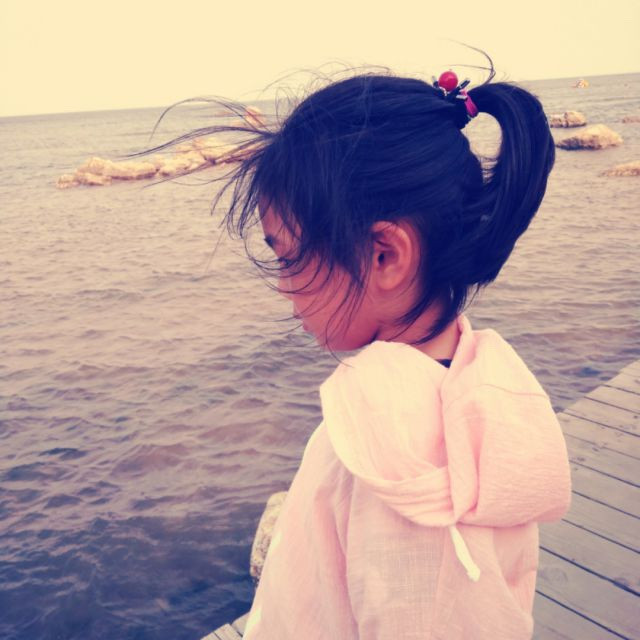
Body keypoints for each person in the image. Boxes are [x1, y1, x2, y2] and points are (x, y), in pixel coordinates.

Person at [157, 53, 572, 638]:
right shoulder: (479, 385)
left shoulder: (395, 465)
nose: (283, 287)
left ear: (385, 256)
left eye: (288, 257)